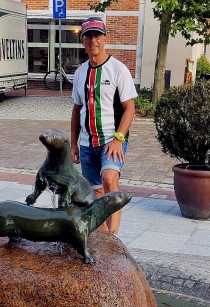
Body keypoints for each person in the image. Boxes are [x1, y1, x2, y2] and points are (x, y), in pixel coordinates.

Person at [70, 17, 137, 235]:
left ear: (105, 38)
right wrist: (74, 144)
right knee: (96, 193)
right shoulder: (80, 73)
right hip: (87, 144)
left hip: (112, 140)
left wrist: (119, 139)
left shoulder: (118, 69)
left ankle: (114, 239)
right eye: (88, 36)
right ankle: (103, 239)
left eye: (97, 35)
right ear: (83, 41)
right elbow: (76, 110)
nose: (93, 40)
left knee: (109, 179)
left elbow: (130, 108)